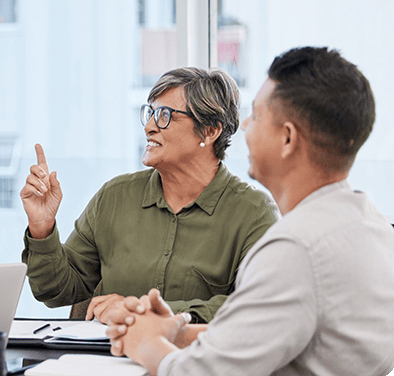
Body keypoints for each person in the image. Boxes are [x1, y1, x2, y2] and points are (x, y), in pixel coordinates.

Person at [106, 47, 394, 376]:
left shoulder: (295, 250)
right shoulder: (369, 224)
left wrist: (144, 343)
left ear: (287, 138)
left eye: (255, 116)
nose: (244, 126)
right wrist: (177, 332)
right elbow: (276, 334)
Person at [21, 67, 278, 324]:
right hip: (102, 359)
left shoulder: (253, 212)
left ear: (210, 131)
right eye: (151, 113)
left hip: (190, 360)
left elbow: (257, 305)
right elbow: (54, 291)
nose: (150, 127)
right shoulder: (114, 197)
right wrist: (42, 228)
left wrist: (146, 311)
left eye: (166, 115)